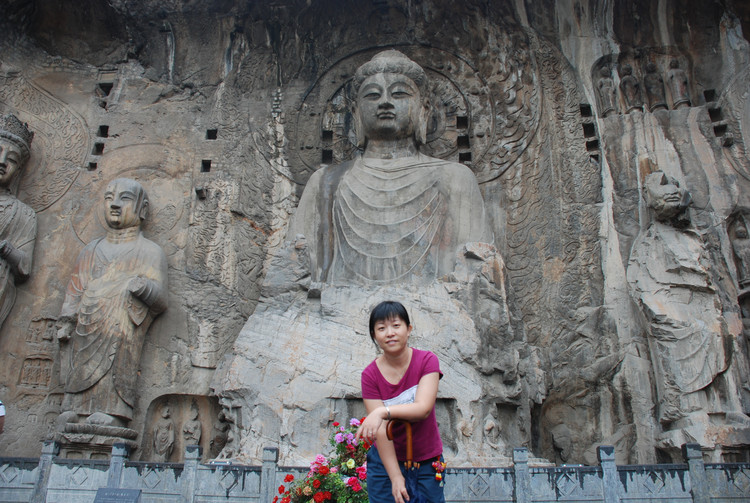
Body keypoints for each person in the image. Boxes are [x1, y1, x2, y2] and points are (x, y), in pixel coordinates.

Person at [288, 50, 491, 285]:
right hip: (338, 312)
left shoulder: (455, 177)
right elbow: (297, 269)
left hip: (434, 310)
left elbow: (475, 274)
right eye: (373, 95)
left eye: (399, 93)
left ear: (423, 109)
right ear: (355, 112)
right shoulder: (326, 181)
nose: (385, 102)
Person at [57, 178, 168, 427]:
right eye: (109, 198)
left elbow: (161, 301)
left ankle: (114, 411)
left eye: (124, 198)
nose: (115, 205)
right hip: (87, 322)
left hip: (121, 327)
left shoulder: (149, 251)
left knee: (117, 360)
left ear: (143, 209)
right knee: (79, 365)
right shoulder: (91, 249)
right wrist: (66, 320)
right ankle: (73, 406)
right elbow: (75, 289)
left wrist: (142, 287)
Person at [356, 301, 444, 503]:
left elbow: (422, 409)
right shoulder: (370, 375)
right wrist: (395, 477)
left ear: (408, 329)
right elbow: (381, 431)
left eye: (396, 326)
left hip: (427, 459)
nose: (389, 333)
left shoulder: (427, 361)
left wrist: (381, 412)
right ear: (374, 335)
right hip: (385, 463)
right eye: (381, 328)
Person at [0, 114, 36, 330]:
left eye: (11, 159)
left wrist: (7, 249)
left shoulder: (22, 213)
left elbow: (24, 265)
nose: (2, 163)